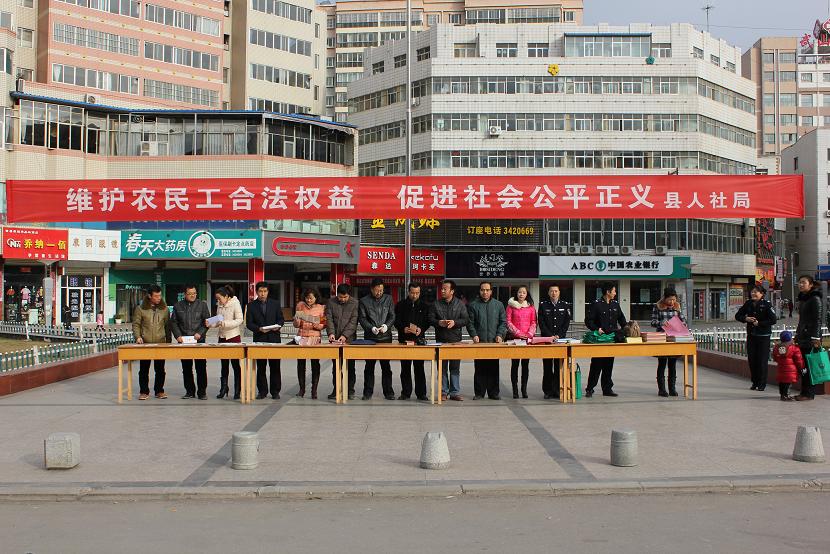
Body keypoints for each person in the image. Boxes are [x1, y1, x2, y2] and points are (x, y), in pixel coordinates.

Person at [584, 282, 627, 398]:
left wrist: (627, 329)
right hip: (600, 340)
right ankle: (590, 388)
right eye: (614, 291)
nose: (615, 293)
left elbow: (622, 319)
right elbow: (588, 320)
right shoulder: (596, 304)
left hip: (611, 339)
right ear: (608, 292)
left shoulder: (615, 304)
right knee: (596, 365)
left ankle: (607, 389)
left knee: (609, 365)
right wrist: (596, 329)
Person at [466, 281, 507, 400]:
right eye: (482, 290)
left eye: (487, 290)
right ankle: (479, 393)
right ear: (479, 291)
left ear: (491, 291)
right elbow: (470, 323)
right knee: (480, 367)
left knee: (493, 367)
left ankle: (494, 393)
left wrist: (500, 334)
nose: (485, 292)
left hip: (494, 342)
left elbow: (503, 322)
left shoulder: (498, 305)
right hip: (480, 342)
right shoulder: (473, 305)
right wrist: (474, 335)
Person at [430, 279, 469, 401]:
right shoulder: (436, 304)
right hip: (441, 341)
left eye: (445, 289)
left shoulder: (460, 304)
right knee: (441, 367)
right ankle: (443, 392)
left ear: (452, 291)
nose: (442, 291)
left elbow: (466, 320)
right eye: (442, 289)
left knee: (455, 367)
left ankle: (454, 392)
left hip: (455, 341)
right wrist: (438, 322)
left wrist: (455, 322)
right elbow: (430, 318)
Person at [170, 284, 211, 400]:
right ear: (185, 294)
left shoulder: (202, 305)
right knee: (186, 367)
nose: (192, 295)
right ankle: (189, 391)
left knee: (201, 367)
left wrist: (200, 333)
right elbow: (173, 323)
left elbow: (207, 322)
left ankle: (202, 392)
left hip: (199, 340)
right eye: (190, 294)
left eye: (194, 293)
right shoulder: (178, 306)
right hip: (184, 341)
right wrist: (178, 336)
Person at [246, 281, 284, 400]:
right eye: (260, 291)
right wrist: (259, 329)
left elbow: (281, 319)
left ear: (268, 292)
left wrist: (278, 326)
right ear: (256, 292)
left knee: (275, 367)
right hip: (260, 338)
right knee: (261, 367)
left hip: (274, 338)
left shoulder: (275, 304)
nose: (263, 293)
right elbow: (249, 323)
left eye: (265, 291)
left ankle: (275, 391)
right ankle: (262, 391)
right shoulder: (251, 306)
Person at [358, 278, 396, 400]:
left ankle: (388, 392)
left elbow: (392, 316)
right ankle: (367, 392)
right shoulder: (364, 301)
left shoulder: (388, 299)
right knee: (369, 366)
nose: (379, 293)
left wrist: (386, 326)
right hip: (370, 338)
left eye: (381, 290)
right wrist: (371, 328)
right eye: (376, 290)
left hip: (386, 337)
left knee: (386, 366)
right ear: (371, 289)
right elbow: (362, 318)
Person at [131, 285, 171, 400]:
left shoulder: (164, 309)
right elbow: (136, 324)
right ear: (149, 296)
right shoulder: (140, 309)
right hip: (145, 343)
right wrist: (138, 336)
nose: (159, 298)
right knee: (144, 369)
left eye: (160, 295)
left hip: (161, 343)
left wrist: (168, 342)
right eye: (156, 296)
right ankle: (144, 391)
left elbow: (167, 326)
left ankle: (159, 391)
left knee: (160, 369)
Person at [735, 285, 777, 392]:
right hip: (751, 336)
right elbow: (738, 315)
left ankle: (762, 384)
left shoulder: (766, 304)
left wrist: (760, 323)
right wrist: (746, 318)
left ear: (762, 294)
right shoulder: (748, 303)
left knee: (762, 361)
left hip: (763, 337)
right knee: (752, 360)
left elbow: (773, 320)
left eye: (756, 292)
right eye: (752, 292)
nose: (753, 294)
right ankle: (755, 382)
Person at [394, 282, 430, 401]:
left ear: (420, 292)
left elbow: (427, 321)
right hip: (404, 340)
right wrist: (402, 328)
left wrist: (421, 329)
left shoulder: (424, 306)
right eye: (412, 293)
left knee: (419, 368)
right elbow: (396, 321)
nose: (414, 295)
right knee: (405, 368)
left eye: (417, 293)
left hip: (419, 341)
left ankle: (421, 393)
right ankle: (406, 392)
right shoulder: (400, 305)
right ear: (408, 292)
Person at [207, 286, 244, 400]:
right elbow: (219, 319)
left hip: (233, 337)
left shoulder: (235, 303)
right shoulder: (220, 305)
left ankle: (237, 390)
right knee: (224, 364)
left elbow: (240, 320)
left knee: (235, 365)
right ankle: (224, 388)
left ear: (227, 296)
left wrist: (225, 323)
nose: (218, 301)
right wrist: (210, 323)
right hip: (222, 337)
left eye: (219, 298)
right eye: (217, 299)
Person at [325, 283, 359, 400]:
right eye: (340, 297)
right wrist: (331, 333)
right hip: (335, 340)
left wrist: (345, 335)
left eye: (345, 297)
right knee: (336, 367)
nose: (343, 299)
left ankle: (350, 390)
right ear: (337, 294)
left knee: (350, 366)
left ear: (349, 295)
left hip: (349, 340)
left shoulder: (355, 303)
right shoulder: (331, 302)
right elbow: (329, 319)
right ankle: (336, 389)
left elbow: (354, 321)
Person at [538, 284, 571, 399]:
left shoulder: (565, 305)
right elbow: (541, 322)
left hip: (560, 340)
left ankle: (557, 390)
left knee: (558, 366)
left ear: (559, 292)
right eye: (551, 291)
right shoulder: (543, 305)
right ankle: (547, 391)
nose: (554, 293)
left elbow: (566, 323)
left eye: (556, 291)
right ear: (548, 293)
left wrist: (558, 335)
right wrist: (549, 336)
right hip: (546, 341)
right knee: (547, 367)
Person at [651, 288, 685, 397]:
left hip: (674, 338)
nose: (672, 302)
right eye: (670, 300)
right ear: (665, 298)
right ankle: (662, 389)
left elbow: (683, 321)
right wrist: (661, 323)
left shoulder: (677, 306)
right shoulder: (658, 306)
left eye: (674, 300)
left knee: (672, 364)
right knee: (662, 364)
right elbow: (653, 322)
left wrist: (680, 324)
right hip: (662, 338)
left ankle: (672, 389)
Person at [293, 288, 326, 399]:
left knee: (315, 363)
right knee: (301, 364)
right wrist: (297, 320)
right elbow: (296, 325)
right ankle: (301, 389)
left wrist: (317, 325)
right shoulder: (300, 306)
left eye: (311, 298)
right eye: (307, 298)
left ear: (316, 298)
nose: (309, 300)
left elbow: (323, 324)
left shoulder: (321, 308)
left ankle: (314, 390)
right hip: (301, 337)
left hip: (314, 338)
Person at [794, 275, 822, 401]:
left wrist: (816, 338)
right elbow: (802, 320)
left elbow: (817, 320)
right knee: (803, 366)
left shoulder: (815, 298)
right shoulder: (803, 299)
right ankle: (804, 392)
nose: (800, 285)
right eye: (799, 282)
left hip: (811, 338)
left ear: (810, 285)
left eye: (803, 282)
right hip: (803, 336)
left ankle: (809, 393)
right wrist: (797, 334)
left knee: (809, 365)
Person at [506, 285, 537, 399]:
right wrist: (518, 333)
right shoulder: (510, 306)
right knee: (515, 365)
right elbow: (508, 321)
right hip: (515, 339)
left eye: (524, 292)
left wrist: (529, 334)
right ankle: (515, 390)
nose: (521, 294)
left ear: (526, 294)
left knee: (525, 365)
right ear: (516, 293)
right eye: (520, 292)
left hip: (527, 340)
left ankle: (524, 389)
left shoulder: (531, 307)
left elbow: (534, 322)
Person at [772, 330, 804, 401]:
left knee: (782, 383)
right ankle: (786, 395)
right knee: (788, 384)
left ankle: (782, 395)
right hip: (791, 370)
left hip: (781, 369)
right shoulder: (794, 348)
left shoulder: (777, 347)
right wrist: (801, 367)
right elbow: (798, 360)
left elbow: (775, 357)